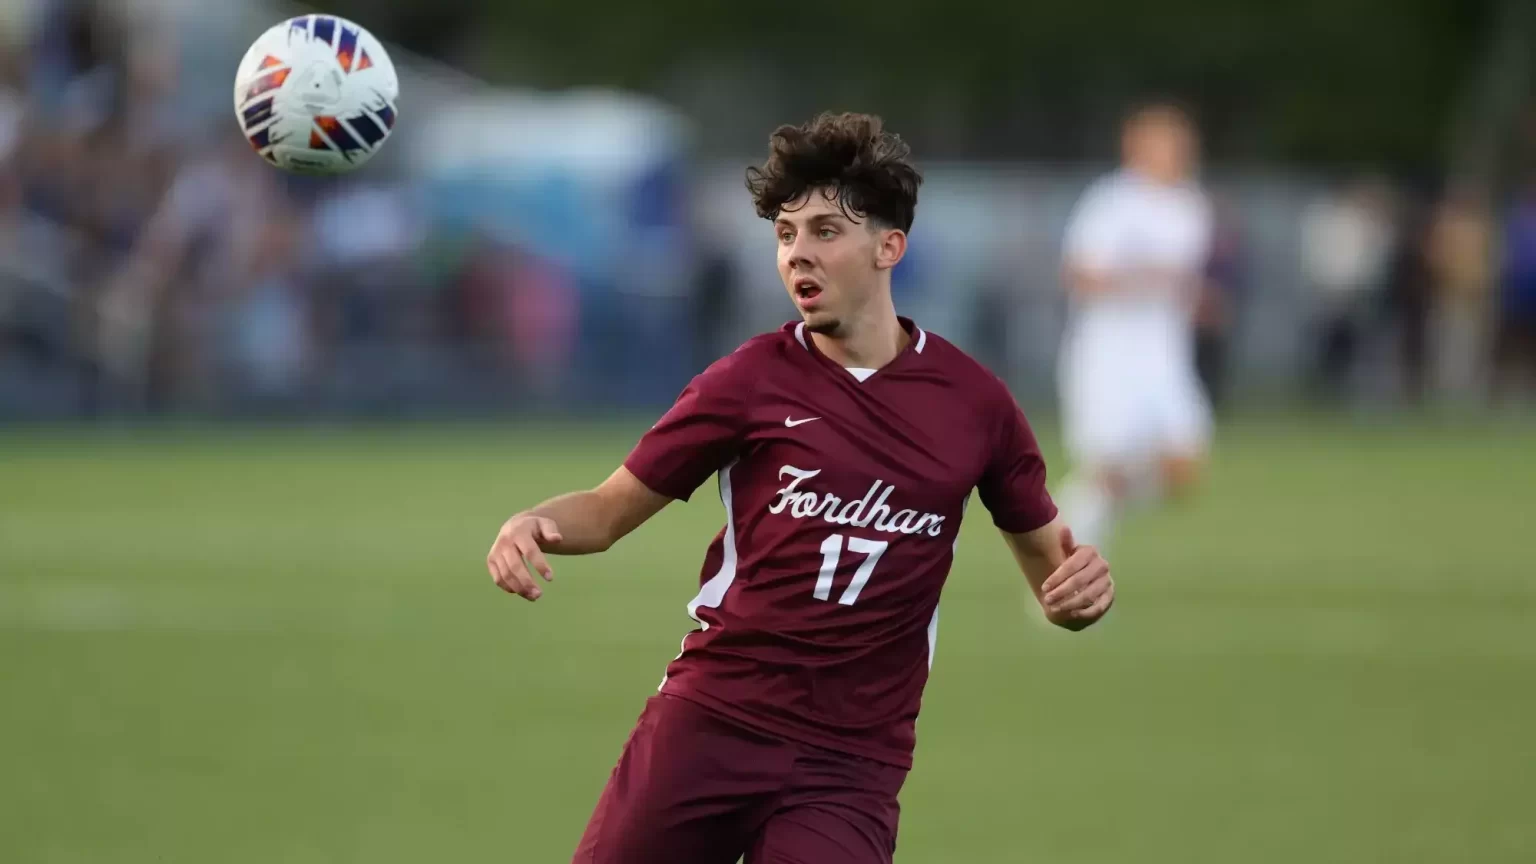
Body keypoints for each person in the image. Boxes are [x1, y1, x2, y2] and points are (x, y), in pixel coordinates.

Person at [485, 112, 1114, 864]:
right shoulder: (747, 381)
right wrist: (531, 521)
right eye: (785, 235)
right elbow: (608, 509)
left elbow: (1056, 576)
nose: (796, 255)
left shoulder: (976, 405)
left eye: (822, 231)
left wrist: (1082, 595)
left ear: (889, 247)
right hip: (710, 726)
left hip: (850, 766)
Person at [1054, 101, 1212, 553]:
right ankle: (1064, 559)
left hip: (1166, 357)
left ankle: (1075, 513)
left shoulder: (1190, 206)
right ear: (1136, 146)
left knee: (1183, 469)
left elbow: (1184, 285)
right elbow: (1079, 275)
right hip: (1110, 356)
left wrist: (1198, 301)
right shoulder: (1112, 201)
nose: (1178, 152)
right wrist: (1141, 279)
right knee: (1108, 466)